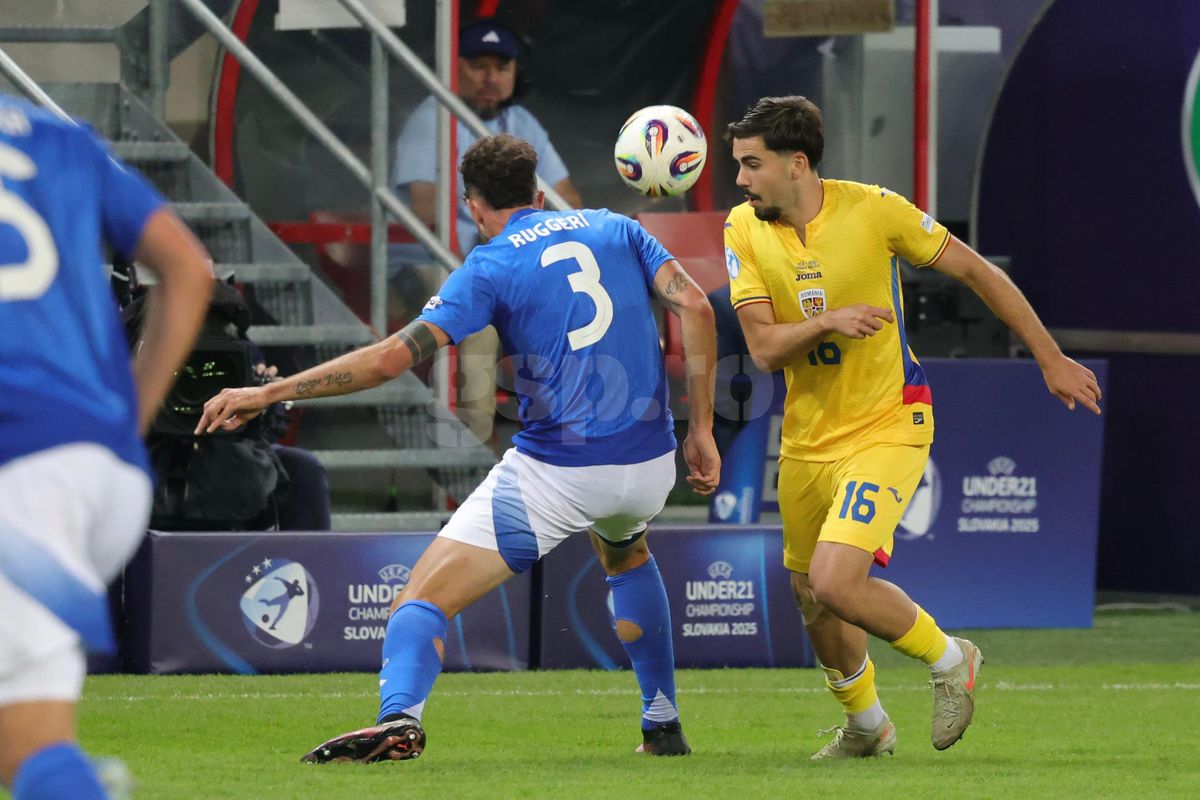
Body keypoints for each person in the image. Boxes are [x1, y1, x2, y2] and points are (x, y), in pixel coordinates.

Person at [197, 133, 721, 762]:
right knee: (627, 553)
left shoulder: (490, 264)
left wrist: (268, 393)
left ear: (472, 206)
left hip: (561, 469)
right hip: (648, 464)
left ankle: (399, 719)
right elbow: (695, 303)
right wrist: (701, 429)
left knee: (418, 601)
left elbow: (391, 358)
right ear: (537, 191)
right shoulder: (618, 228)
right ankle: (662, 725)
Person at [723, 96, 1102, 759]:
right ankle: (867, 727)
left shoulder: (876, 209)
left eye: (751, 165)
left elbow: (977, 271)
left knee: (839, 580)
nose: (740, 180)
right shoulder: (743, 229)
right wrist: (825, 322)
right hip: (807, 436)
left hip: (890, 421)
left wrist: (1049, 356)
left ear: (797, 163)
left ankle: (952, 658)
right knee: (812, 595)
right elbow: (762, 348)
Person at [0, 95, 212, 798]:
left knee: (34, 749)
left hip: (21, 471)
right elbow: (187, 267)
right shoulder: (56, 133)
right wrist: (126, 421)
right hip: (98, 465)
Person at [391, 18, 584, 445]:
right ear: (455, 68)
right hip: (435, 261)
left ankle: (575, 439)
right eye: (479, 65)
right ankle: (471, 464)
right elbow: (426, 206)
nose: (491, 78)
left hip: (506, 265)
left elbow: (568, 199)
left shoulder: (521, 122)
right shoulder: (433, 116)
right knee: (478, 327)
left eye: (502, 67)